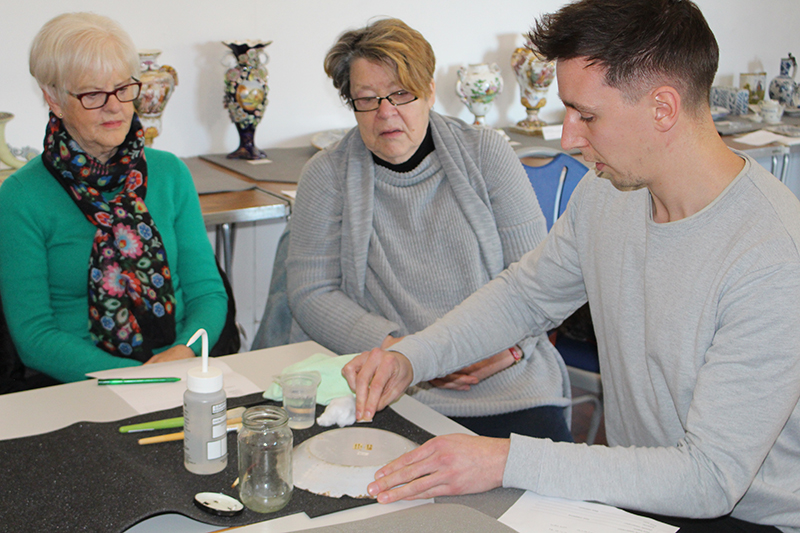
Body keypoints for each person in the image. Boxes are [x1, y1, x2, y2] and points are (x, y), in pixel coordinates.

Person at [342, 1, 800, 532]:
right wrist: (411, 358)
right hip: (642, 489)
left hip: (748, 516)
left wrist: (503, 459)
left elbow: (711, 478)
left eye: (587, 114)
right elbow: (525, 296)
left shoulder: (772, 255)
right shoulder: (609, 193)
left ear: (663, 108)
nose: (569, 139)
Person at [282, 18, 572, 441]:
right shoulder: (326, 175)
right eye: (367, 99)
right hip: (388, 388)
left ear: (430, 90)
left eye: (401, 94)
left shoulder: (487, 153)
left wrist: (507, 350)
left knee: (544, 503)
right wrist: (406, 354)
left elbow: (538, 280)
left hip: (506, 380)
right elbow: (311, 294)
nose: (386, 112)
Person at [0, 13, 229, 384]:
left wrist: (183, 354)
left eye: (124, 88)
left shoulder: (170, 174)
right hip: (78, 387)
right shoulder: (20, 197)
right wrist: (138, 378)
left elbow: (208, 293)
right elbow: (34, 337)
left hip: (182, 371)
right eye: (93, 94)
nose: (115, 107)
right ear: (53, 99)